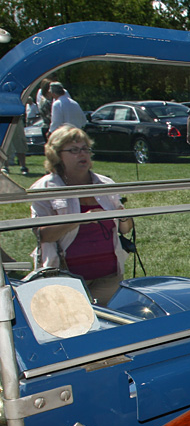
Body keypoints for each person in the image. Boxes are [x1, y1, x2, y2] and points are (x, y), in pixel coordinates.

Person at [29, 125, 133, 306]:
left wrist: (123, 216)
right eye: (74, 150)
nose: (82, 154)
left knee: (110, 324)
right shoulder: (44, 189)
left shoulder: (106, 184)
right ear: (57, 155)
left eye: (85, 149)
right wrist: (80, 219)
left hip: (109, 275)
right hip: (66, 277)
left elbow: (125, 228)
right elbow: (43, 235)